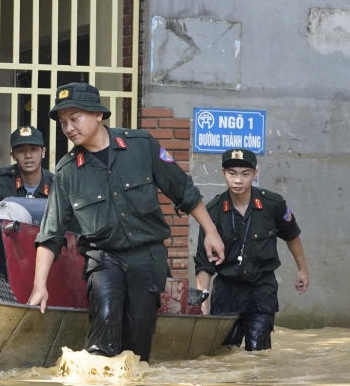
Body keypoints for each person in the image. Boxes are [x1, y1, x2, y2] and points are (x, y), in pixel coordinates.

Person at [28, 83, 226, 362]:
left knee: (137, 345)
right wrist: (40, 285)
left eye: (75, 118)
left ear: (98, 114)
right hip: (104, 258)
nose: (68, 128)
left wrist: (211, 232)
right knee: (105, 323)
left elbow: (183, 191)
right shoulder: (67, 171)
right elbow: (50, 235)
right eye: (63, 123)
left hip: (147, 257)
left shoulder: (141, 145)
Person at [194, 148, 309, 351]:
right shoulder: (213, 212)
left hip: (261, 289)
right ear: (223, 173)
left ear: (255, 173)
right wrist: (202, 302)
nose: (238, 180)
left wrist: (302, 269)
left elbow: (291, 234)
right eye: (232, 173)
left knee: (258, 355)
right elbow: (204, 263)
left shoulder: (272, 204)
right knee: (223, 353)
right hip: (227, 292)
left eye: (245, 174)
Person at [0, 126, 53, 202]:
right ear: (13, 155)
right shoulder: (1, 177)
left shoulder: (55, 183)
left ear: (43, 152)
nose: (28, 155)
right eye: (21, 150)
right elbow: (6, 206)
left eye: (33, 149)